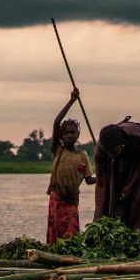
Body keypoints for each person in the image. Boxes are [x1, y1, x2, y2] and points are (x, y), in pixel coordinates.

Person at [94, 118, 140, 245]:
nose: (111, 155)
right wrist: (98, 216)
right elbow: (101, 184)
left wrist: (130, 185)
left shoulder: (139, 138)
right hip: (118, 165)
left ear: (121, 144)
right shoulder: (101, 151)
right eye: (108, 153)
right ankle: (119, 240)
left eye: (113, 152)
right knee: (114, 200)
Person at [45, 89, 96, 244]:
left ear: (77, 136)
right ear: (61, 136)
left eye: (72, 133)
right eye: (66, 133)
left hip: (72, 200)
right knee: (56, 232)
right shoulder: (58, 150)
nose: (69, 135)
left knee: (71, 235)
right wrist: (72, 101)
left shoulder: (82, 155)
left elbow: (89, 179)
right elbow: (56, 123)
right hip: (57, 198)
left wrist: (104, 176)